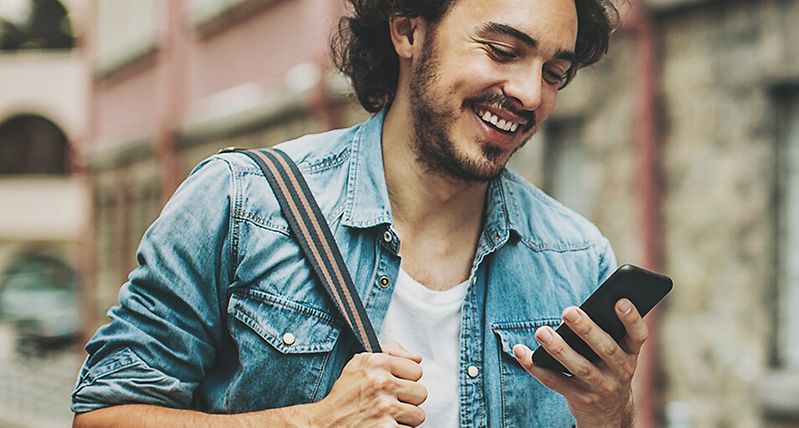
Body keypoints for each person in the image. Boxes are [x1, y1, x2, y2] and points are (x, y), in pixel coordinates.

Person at [71, 0, 640, 426]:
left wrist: (610, 414)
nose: (530, 93)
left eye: (554, 72)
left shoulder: (576, 258)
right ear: (408, 30)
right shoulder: (241, 203)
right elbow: (101, 416)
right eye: (503, 51)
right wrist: (310, 421)